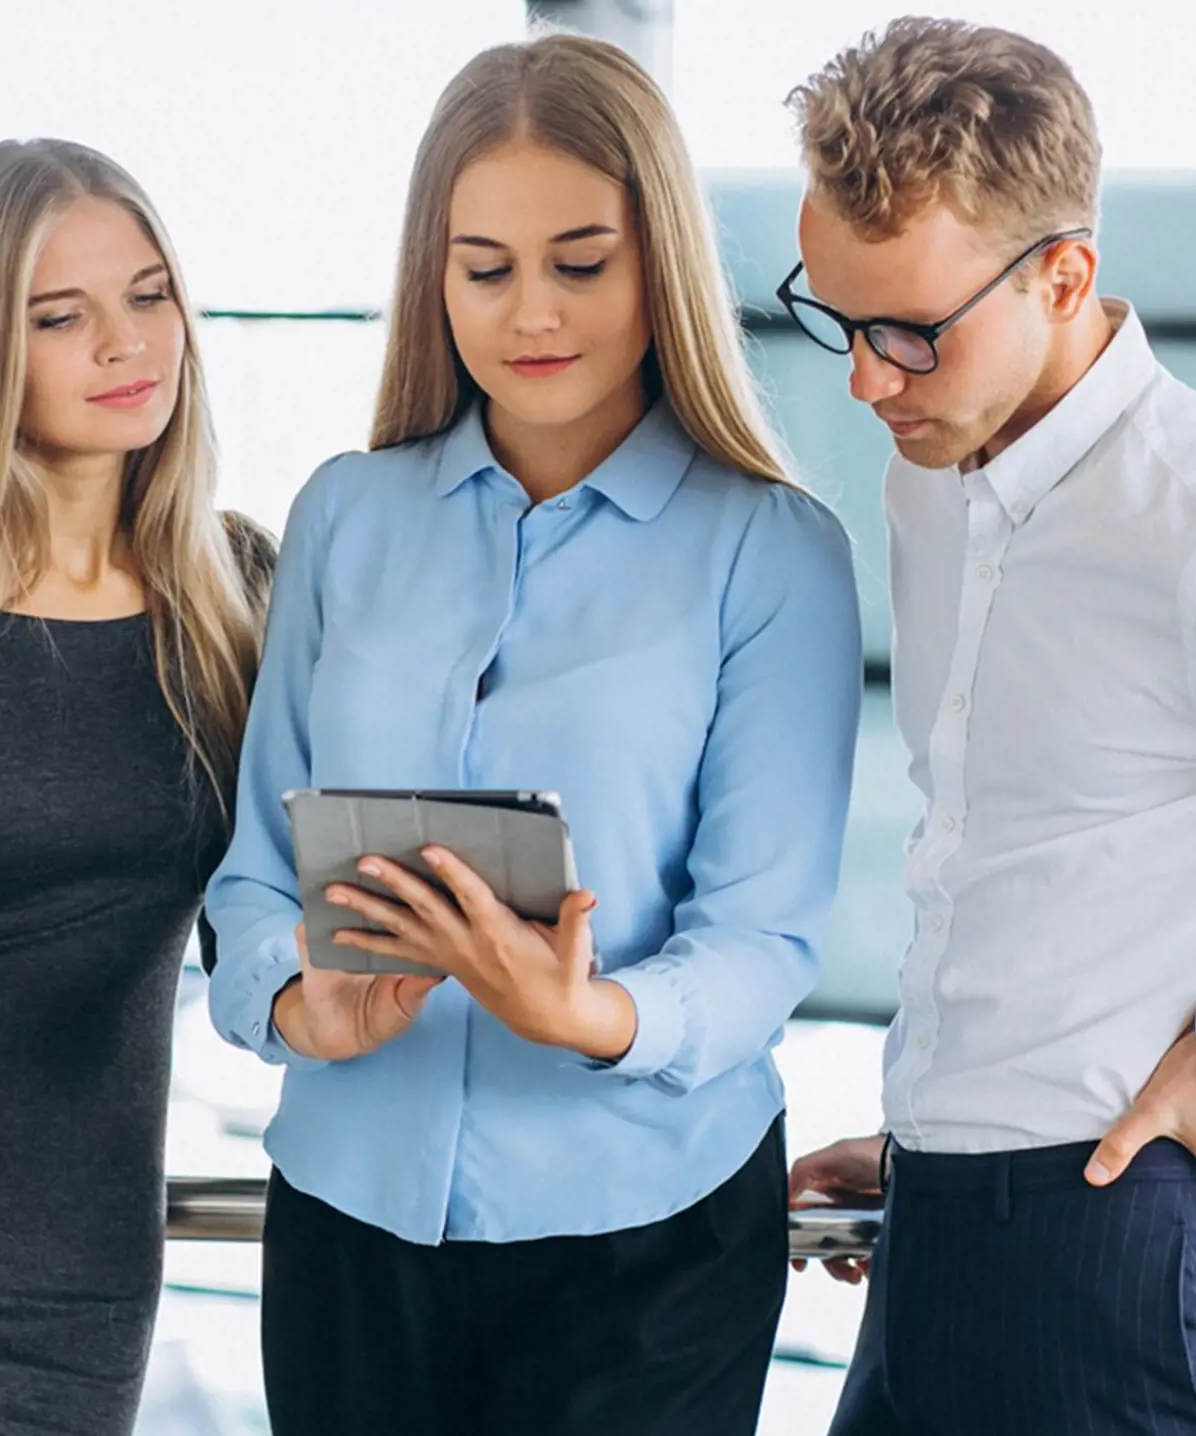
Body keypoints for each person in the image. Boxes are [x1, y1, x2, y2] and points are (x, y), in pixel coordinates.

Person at [206, 30, 862, 1436]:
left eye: (582, 261)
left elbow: (763, 938)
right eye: (484, 267)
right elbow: (255, 869)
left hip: (651, 1244)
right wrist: (293, 1003)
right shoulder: (344, 516)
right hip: (346, 1216)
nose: (531, 315)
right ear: (431, 276)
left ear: (660, 264)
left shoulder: (774, 554)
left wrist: (593, 1017)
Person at [779, 18, 1196, 1435]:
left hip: (1115, 1231)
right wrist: (938, 1133)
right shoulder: (929, 481)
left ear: (1065, 274)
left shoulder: (1183, 509)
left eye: (910, 332)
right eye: (837, 320)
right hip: (942, 1211)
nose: (864, 380)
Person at [0, 138, 273, 1435]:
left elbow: (287, 914)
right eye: (62, 316)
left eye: (150, 295)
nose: (128, 344)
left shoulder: (236, 598)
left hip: (78, 1271)